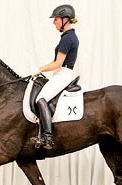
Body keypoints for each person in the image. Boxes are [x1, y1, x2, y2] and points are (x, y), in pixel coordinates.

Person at [31, 4, 79, 149]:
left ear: (66, 19)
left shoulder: (68, 38)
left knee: (41, 99)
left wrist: (40, 70)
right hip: (62, 73)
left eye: (56, 19)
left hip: (63, 73)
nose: (54, 22)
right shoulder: (68, 37)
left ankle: (47, 137)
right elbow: (55, 62)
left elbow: (58, 63)